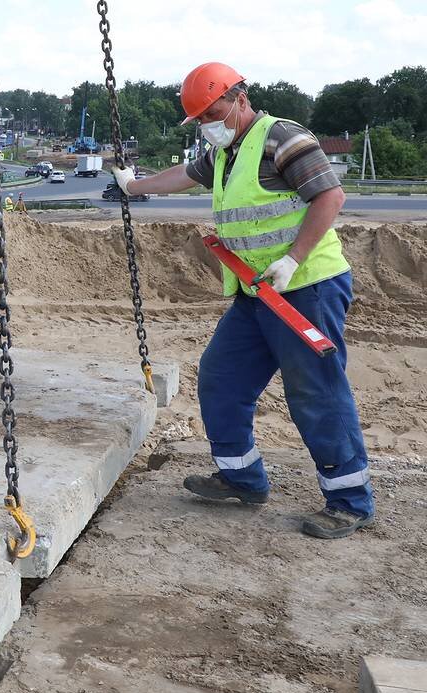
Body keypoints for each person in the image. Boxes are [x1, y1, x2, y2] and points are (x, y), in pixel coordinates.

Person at [112, 62, 372, 539]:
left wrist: (294, 258)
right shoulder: (226, 152)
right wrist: (134, 185)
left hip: (306, 288)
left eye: (213, 112)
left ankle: (349, 501)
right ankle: (241, 478)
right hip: (257, 293)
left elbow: (329, 197)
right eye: (201, 119)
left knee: (315, 391)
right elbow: (183, 176)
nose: (209, 123)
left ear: (240, 99)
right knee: (220, 378)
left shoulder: (282, 138)